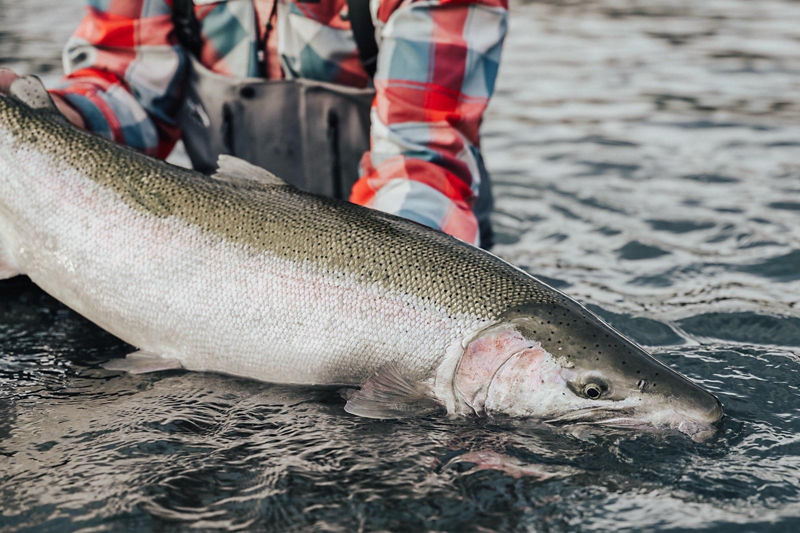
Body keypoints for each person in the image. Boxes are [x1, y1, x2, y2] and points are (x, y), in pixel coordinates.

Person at [0, 0, 507, 248]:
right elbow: (129, 86)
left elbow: (419, 161)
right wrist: (43, 121)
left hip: (414, 237)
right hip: (224, 244)